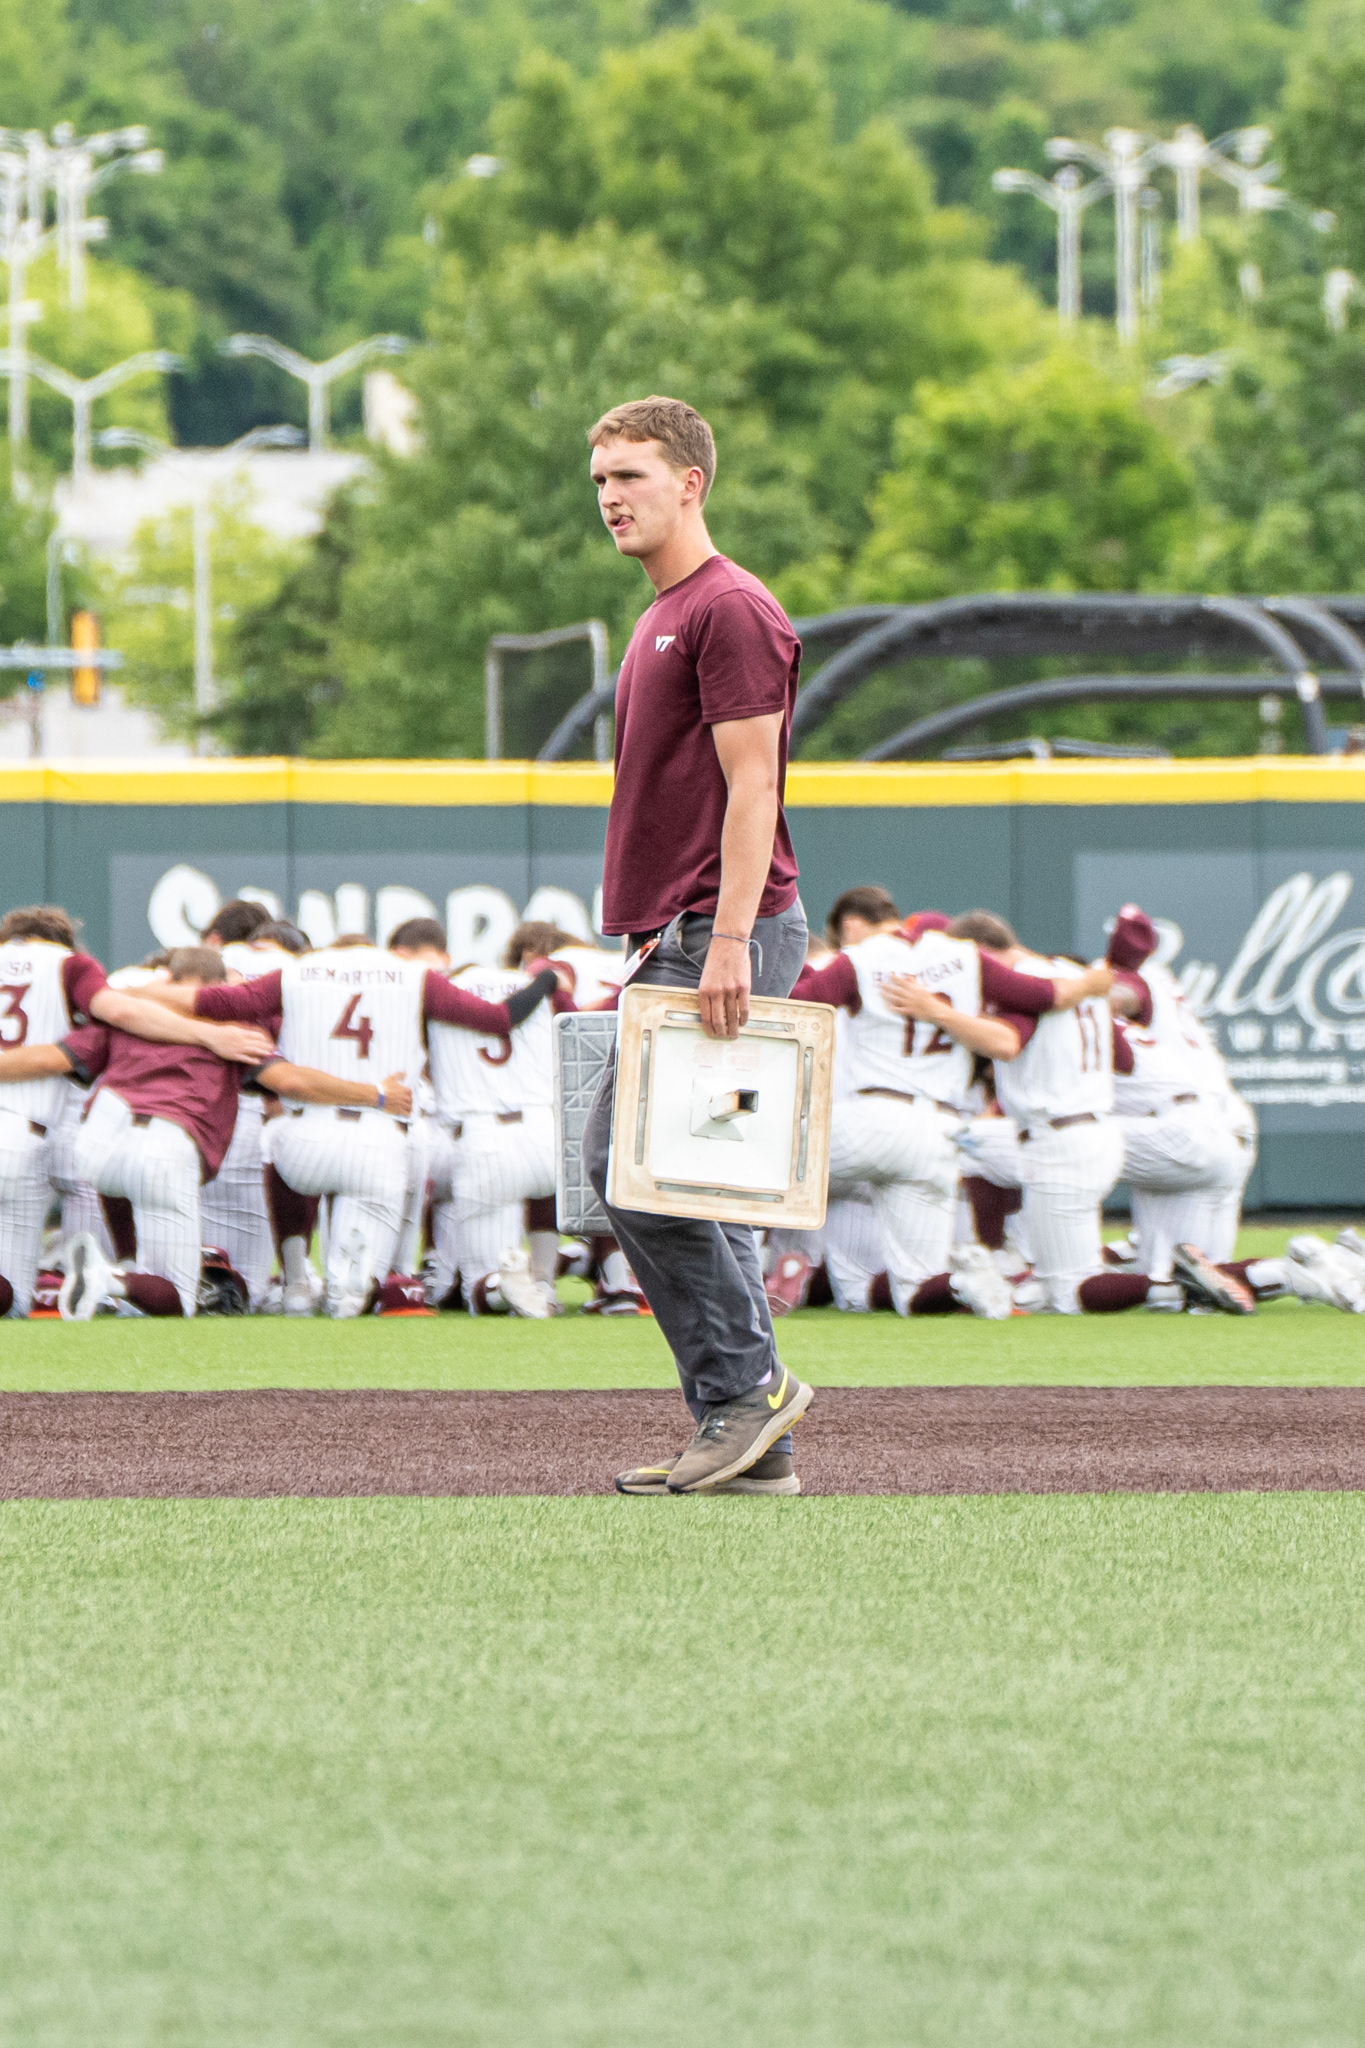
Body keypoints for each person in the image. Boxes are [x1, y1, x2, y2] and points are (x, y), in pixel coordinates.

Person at [579, 394, 813, 1498]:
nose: (611, 497)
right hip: (676, 927)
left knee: (634, 1169)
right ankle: (751, 1437)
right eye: (600, 481)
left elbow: (754, 782)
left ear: (692, 481)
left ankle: (746, 1391)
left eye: (630, 474)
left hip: (722, 922)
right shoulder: (662, 610)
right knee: (677, 1174)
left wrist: (724, 938)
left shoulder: (729, 607)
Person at [147, 936, 562, 1315]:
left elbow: (218, 1004)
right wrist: (545, 979)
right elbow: (498, 1019)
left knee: (274, 1143)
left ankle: (295, 1281)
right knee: (358, 1289)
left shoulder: (294, 973)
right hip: (379, 1136)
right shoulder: (416, 978)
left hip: (306, 1131)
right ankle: (358, 1284)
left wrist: (127, 994)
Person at [795, 908, 1109, 1316]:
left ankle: (752, 1273)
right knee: (915, 1292)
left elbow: (798, 1005)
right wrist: (1092, 981)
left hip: (868, 1120)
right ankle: (963, 1283)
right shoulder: (968, 959)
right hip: (937, 1132)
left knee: (761, 1177)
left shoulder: (861, 958)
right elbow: (1049, 996)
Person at [0, 904, 274, 1316]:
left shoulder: (124, 1008)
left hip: (101, 1140)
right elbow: (287, 1081)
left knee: (18, 1300)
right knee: (177, 1297)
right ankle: (112, 1277)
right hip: (143, 1142)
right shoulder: (72, 967)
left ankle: (123, 1264)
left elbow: (97, 1033)